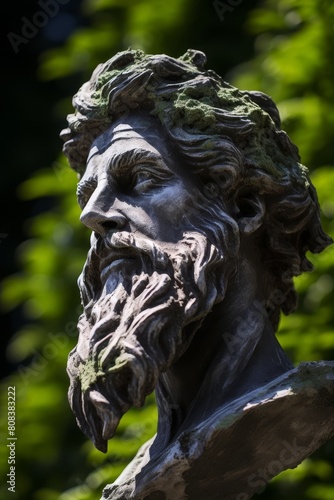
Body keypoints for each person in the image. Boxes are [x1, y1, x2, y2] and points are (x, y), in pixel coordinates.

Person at [61, 49, 332, 498]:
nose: (93, 215)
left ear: (244, 207)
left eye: (140, 180)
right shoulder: (134, 478)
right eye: (87, 196)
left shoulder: (310, 409)